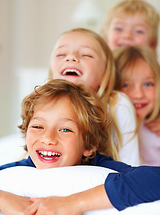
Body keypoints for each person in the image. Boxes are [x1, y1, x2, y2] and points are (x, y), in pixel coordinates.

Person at [0, 79, 160, 215]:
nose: (48, 138)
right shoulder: (20, 169)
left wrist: (74, 203)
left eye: (65, 129)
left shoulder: (101, 167)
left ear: (89, 145)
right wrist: (5, 199)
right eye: (37, 127)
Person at [48, 27, 140, 166]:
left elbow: (131, 165)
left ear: (104, 74)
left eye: (86, 55)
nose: (71, 57)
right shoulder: (43, 105)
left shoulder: (118, 105)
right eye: (61, 54)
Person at [100, 0, 160, 146]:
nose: (127, 35)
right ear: (105, 38)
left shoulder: (154, 73)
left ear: (152, 44)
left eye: (138, 31)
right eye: (119, 29)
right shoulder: (99, 71)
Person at [114, 46, 160, 165]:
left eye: (148, 84)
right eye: (125, 85)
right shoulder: (109, 129)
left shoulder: (156, 128)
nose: (138, 94)